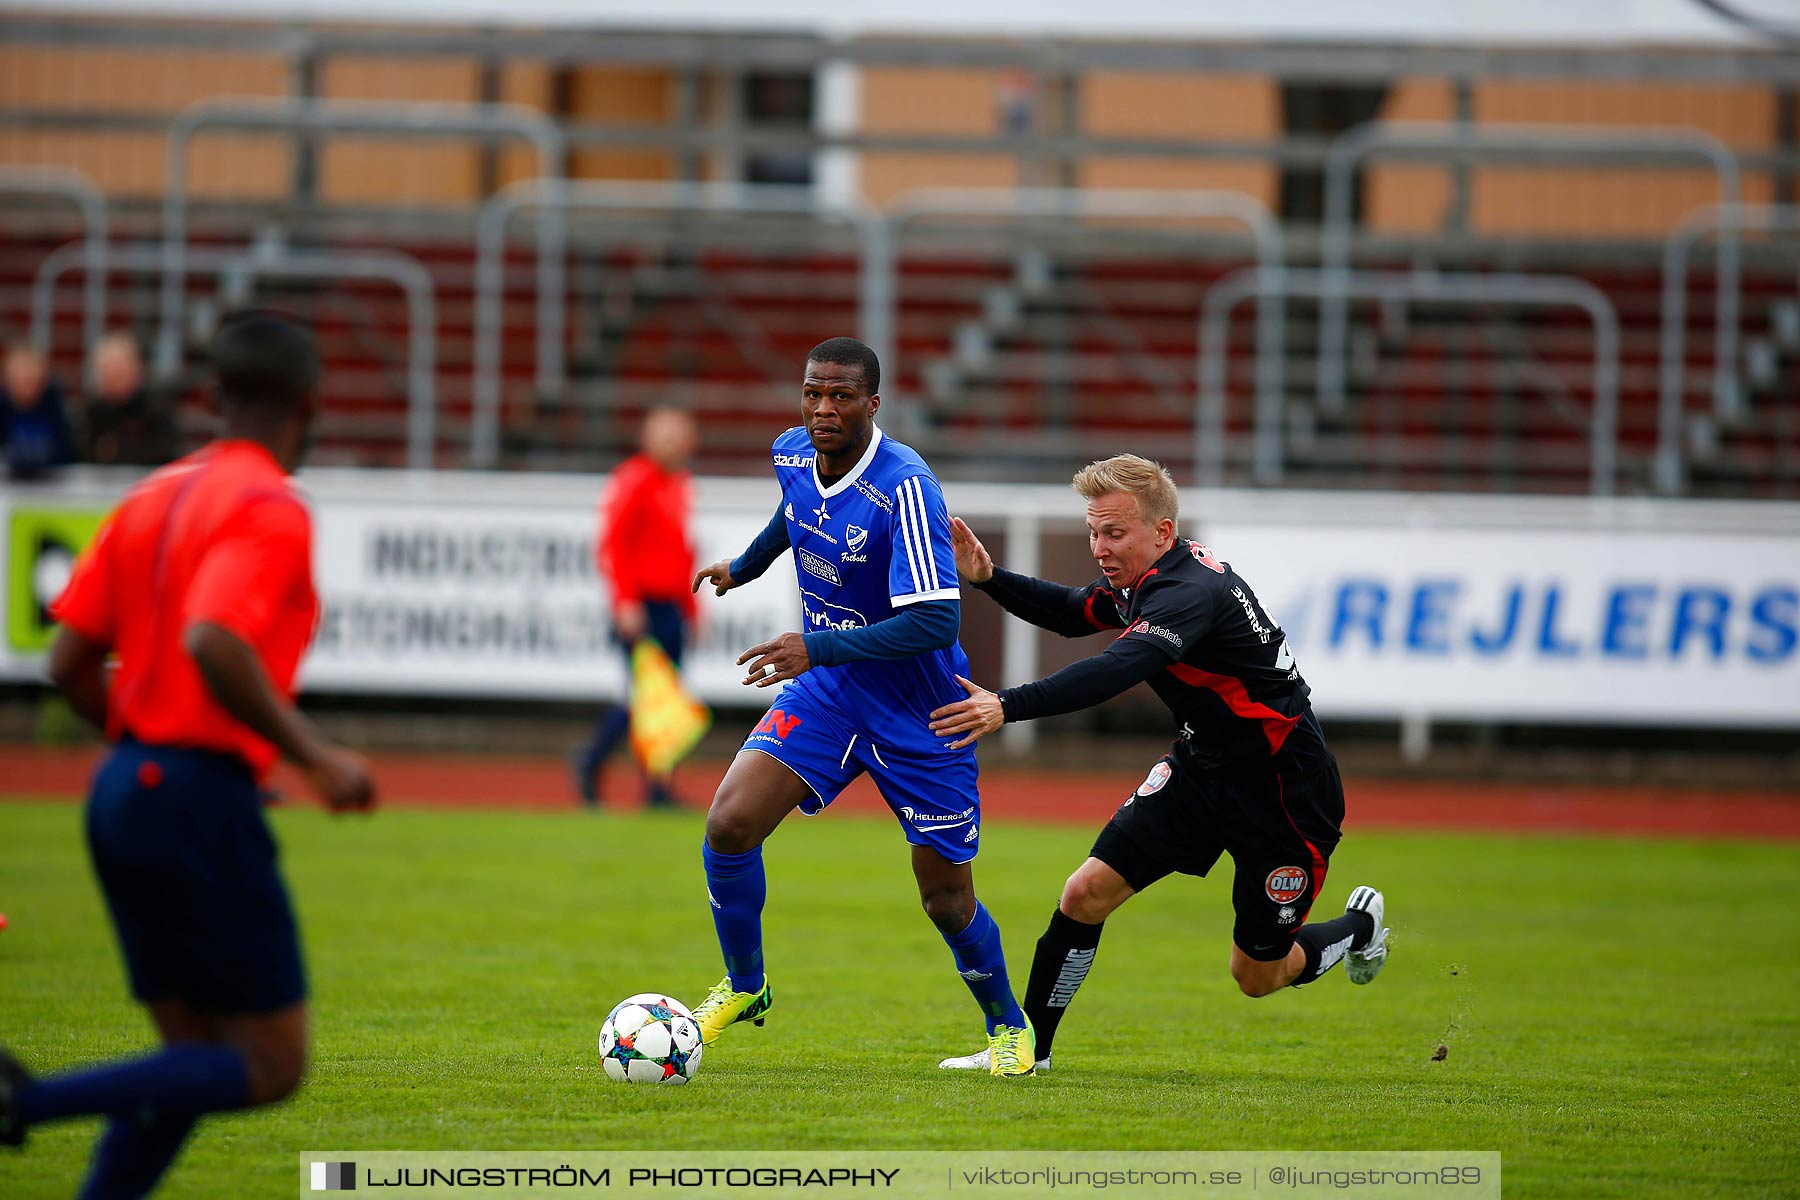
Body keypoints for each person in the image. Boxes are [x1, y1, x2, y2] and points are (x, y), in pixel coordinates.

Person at [0, 311, 377, 1195]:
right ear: (308, 406)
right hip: (190, 794)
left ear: (213, 398)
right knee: (270, 1063)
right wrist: (313, 756)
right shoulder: (269, 507)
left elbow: (66, 662)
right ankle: (27, 1101)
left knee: (192, 1058)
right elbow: (215, 639)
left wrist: (149, 754)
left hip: (123, 790)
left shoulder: (153, 494)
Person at [928, 454, 1388, 1073]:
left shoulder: (1188, 594)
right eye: (1094, 532)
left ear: (1162, 532)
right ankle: (1026, 1053)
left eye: (1114, 533)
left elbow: (1114, 670)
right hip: (1201, 770)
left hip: (1284, 790)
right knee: (1085, 892)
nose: (1099, 547)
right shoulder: (1144, 580)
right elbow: (1071, 612)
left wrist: (1006, 706)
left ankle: (1357, 928)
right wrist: (990, 578)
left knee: (1257, 974)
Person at [688, 336, 1036, 1076]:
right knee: (729, 823)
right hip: (832, 693)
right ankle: (746, 987)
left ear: (873, 405)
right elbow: (796, 512)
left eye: (841, 395)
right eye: (814, 392)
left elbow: (937, 620)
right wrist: (744, 568)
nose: (823, 408)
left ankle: (1011, 1032)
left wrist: (818, 647)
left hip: (921, 709)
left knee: (944, 897)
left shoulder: (905, 487)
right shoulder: (791, 451)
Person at [571, 407, 700, 809]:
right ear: (646, 439)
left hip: (669, 605)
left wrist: (691, 610)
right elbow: (614, 545)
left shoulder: (678, 484)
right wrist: (625, 602)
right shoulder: (634, 481)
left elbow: (682, 553)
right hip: (643, 604)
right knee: (649, 698)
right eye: (665, 436)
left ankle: (649, 783)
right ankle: (601, 763)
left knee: (660, 700)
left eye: (678, 436)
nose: (673, 444)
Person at [83, 331, 177, 467]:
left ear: (137, 369)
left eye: (119, 369)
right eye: (108, 369)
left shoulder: (156, 411)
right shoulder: (91, 413)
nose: (113, 375)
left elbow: (164, 456)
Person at [0, 341, 77, 479]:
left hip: (51, 484)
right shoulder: (3, 406)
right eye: (20, 378)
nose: (25, 382)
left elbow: (68, 452)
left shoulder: (55, 404)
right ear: (8, 379)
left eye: (30, 379)